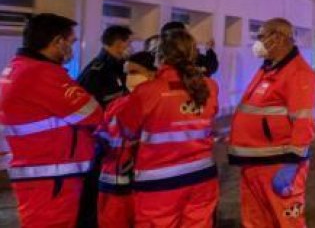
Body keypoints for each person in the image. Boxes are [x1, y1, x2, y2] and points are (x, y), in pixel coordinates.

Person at [0, 13, 103, 227]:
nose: (72, 49)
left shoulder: (19, 68)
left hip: (42, 175)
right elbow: (93, 114)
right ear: (58, 41)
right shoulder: (42, 74)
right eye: (71, 42)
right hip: (52, 179)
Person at [117, 30, 219, 227]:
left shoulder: (147, 91)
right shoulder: (209, 86)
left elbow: (127, 131)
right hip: (202, 177)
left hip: (159, 182)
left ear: (160, 56)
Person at [229, 18, 315, 227]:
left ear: (277, 38)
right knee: (256, 221)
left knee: (286, 222)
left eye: (261, 36)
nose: (257, 42)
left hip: (278, 164)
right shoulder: (269, 68)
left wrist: (291, 165)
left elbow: (303, 123)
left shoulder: (298, 73)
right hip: (256, 162)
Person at [77, 24, 135, 228]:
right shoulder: (97, 71)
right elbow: (85, 110)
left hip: (112, 143)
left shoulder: (117, 68)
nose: (131, 48)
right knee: (92, 188)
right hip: (97, 142)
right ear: (119, 44)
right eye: (129, 43)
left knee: (105, 190)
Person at [96, 51, 156, 228]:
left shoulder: (155, 104)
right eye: (127, 73)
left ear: (152, 73)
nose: (129, 78)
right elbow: (102, 135)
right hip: (112, 181)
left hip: (140, 182)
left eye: (135, 72)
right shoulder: (117, 104)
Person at [149, 21, 219, 77]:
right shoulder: (156, 57)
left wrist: (209, 50)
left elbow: (211, 67)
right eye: (186, 35)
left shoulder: (192, 56)